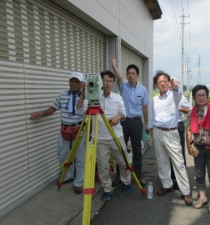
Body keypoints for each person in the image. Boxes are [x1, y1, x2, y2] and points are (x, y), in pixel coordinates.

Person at [31, 72, 88, 194]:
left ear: (82, 83)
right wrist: (40, 114)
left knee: (80, 158)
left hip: (79, 130)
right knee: (62, 155)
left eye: (77, 81)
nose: (74, 83)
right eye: (72, 80)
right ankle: (69, 175)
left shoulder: (87, 95)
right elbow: (54, 108)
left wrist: (84, 93)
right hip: (64, 129)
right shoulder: (62, 94)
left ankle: (79, 182)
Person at [149, 70, 193, 206]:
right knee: (162, 160)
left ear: (169, 83)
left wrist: (177, 88)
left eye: (164, 81)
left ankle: (185, 191)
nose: (162, 84)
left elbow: (184, 101)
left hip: (171, 132)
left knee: (178, 162)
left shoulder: (174, 96)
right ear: (156, 85)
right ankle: (166, 185)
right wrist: (150, 130)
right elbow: (151, 116)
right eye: (159, 82)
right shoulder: (154, 99)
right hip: (157, 131)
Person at [94, 70, 132, 202]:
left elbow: (123, 114)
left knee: (123, 162)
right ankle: (107, 189)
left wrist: (118, 117)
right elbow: (81, 109)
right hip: (100, 138)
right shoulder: (95, 97)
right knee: (102, 166)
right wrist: (83, 93)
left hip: (117, 136)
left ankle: (126, 183)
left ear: (113, 83)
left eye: (110, 81)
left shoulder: (117, 97)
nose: (107, 83)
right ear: (101, 82)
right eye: (105, 80)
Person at [111, 56, 149, 186]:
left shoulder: (143, 90)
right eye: (129, 73)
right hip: (123, 121)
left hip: (137, 122)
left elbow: (145, 107)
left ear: (137, 75)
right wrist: (114, 66)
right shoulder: (123, 87)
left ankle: (138, 175)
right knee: (120, 149)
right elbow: (119, 78)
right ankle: (119, 175)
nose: (131, 75)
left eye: (133, 73)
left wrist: (147, 123)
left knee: (137, 149)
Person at [186, 85, 210, 213]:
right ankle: (203, 197)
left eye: (203, 95)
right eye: (198, 95)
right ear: (194, 98)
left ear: (207, 96)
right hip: (198, 147)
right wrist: (188, 145)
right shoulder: (191, 112)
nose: (201, 97)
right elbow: (189, 130)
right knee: (199, 174)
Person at [170, 94, 192, 190]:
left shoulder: (181, 97)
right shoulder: (162, 98)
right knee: (167, 153)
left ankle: (181, 180)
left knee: (179, 153)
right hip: (166, 127)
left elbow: (190, 109)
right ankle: (171, 178)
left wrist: (179, 109)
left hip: (178, 125)